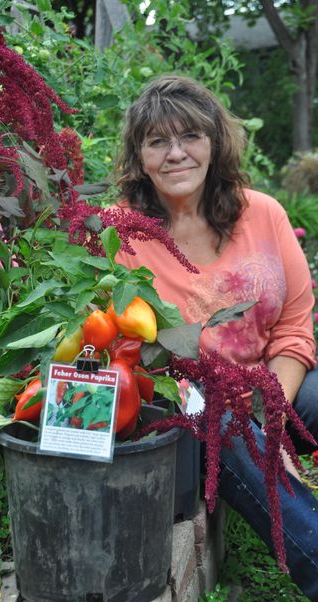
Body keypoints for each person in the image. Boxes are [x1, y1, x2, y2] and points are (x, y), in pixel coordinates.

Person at [114, 74, 318, 600]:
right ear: (139, 156)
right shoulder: (119, 235)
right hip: (189, 410)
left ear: (215, 142)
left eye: (190, 137)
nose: (176, 153)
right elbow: (122, 355)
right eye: (158, 141)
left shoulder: (264, 214)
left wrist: (270, 412)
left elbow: (295, 331)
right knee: (222, 422)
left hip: (267, 390)